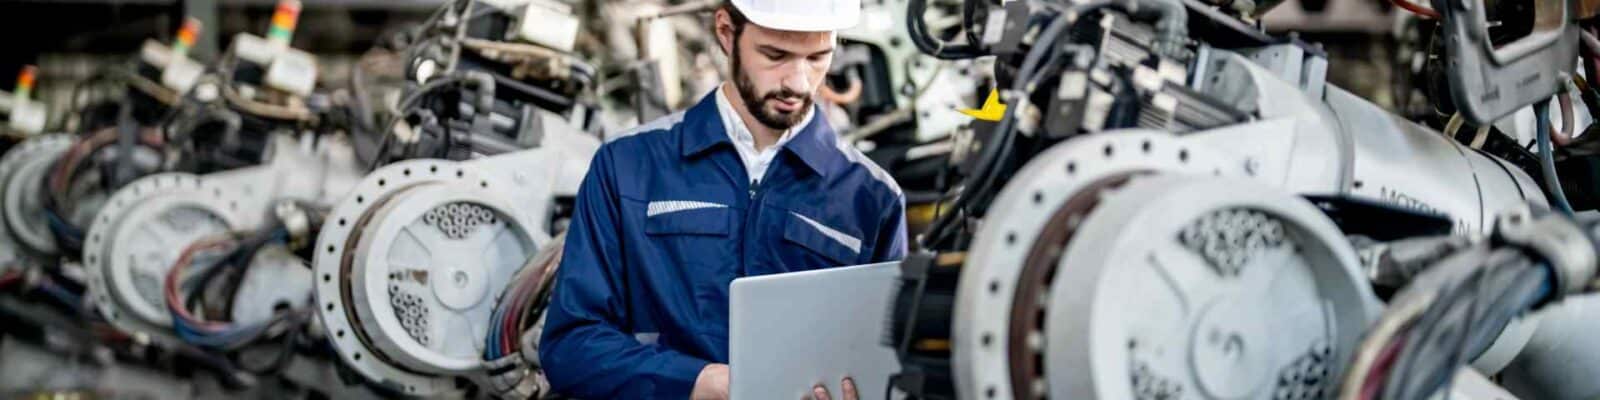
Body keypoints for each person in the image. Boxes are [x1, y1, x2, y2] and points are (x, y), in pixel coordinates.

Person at [538, 0, 906, 398]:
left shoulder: (871, 198)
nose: (798, 82)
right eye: (775, 55)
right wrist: (697, 382)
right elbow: (570, 348)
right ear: (727, 33)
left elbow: (891, 365)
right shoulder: (628, 166)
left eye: (818, 57)